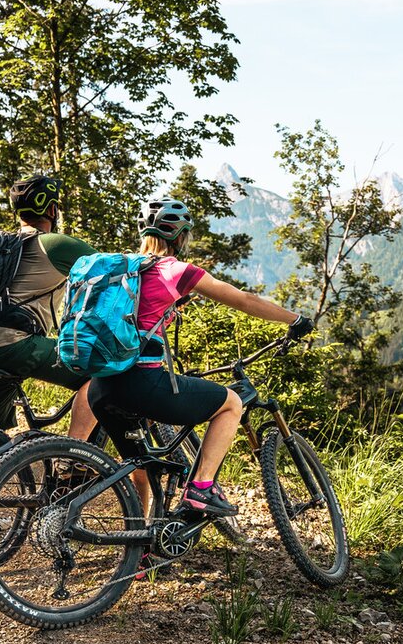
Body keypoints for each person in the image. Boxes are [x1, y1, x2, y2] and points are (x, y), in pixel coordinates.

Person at [87, 197, 313, 517]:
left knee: (141, 464)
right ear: (179, 236)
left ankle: (141, 539)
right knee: (231, 402)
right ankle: (201, 488)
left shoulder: (123, 269)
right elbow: (244, 299)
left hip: (102, 388)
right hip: (141, 384)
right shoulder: (175, 271)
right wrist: (294, 319)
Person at [0, 174, 98, 461]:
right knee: (102, 375)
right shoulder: (56, 245)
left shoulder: (3, 246)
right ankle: (72, 458)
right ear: (52, 210)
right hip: (14, 346)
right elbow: (118, 269)